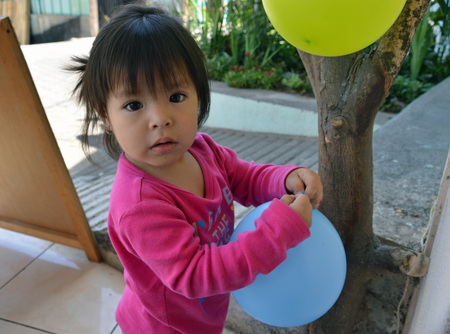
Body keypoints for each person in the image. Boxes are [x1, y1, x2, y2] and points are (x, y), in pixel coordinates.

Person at [70, 4, 323, 333]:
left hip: (205, 315)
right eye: (134, 105)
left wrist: (283, 179)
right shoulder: (140, 205)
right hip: (164, 327)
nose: (161, 118)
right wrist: (277, 234)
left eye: (176, 96)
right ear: (104, 115)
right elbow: (196, 275)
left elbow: (244, 177)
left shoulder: (203, 150)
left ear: (199, 95)